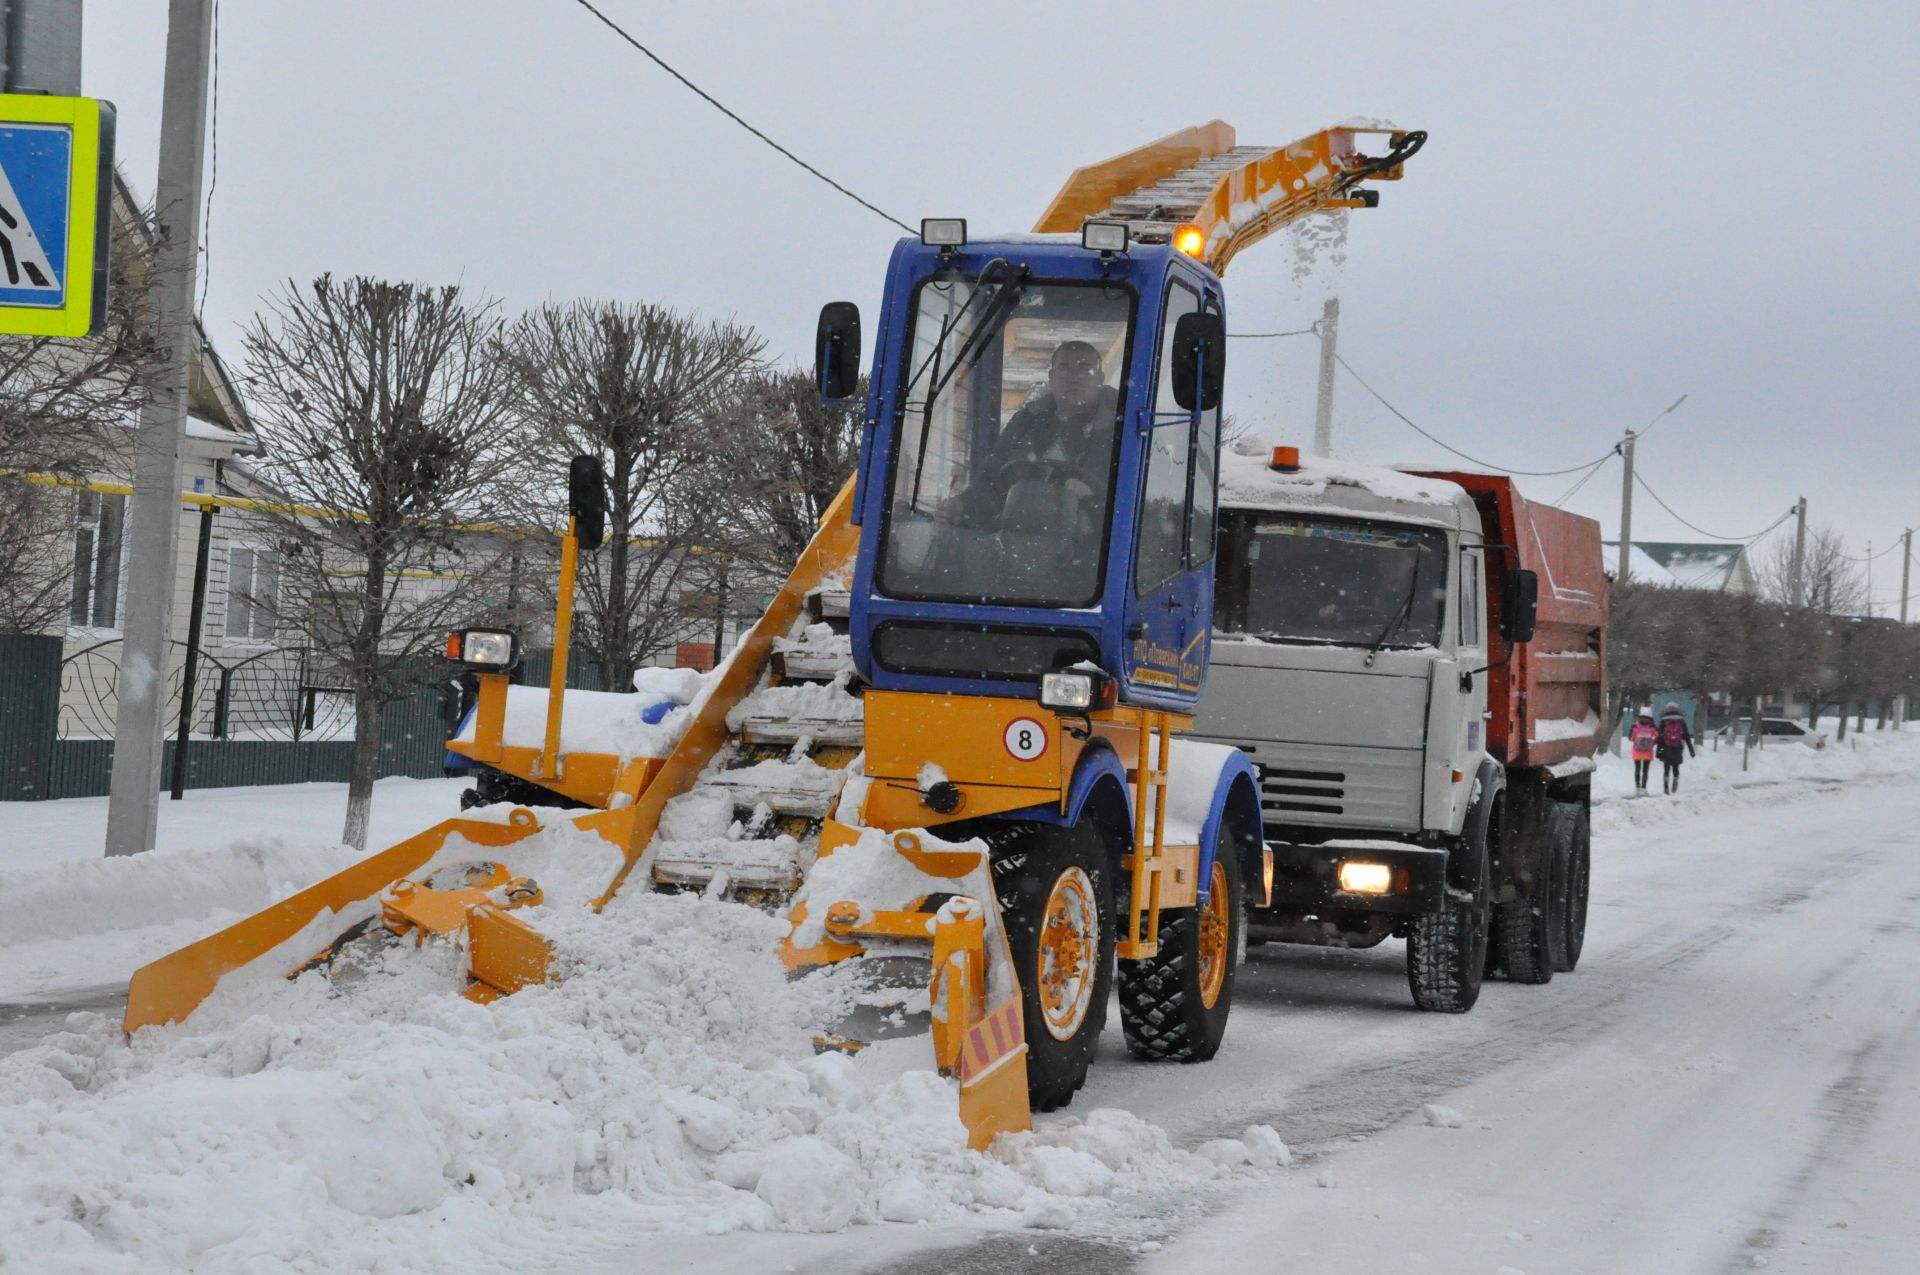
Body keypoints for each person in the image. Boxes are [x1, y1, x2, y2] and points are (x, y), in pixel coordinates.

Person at [969, 339, 1120, 529]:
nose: (1074, 377)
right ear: (1051, 377)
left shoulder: (1125, 427)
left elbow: (1140, 503)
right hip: (1017, 531)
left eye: (1084, 369)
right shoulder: (1026, 422)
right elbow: (992, 475)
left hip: (1096, 545)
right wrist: (963, 504)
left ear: (1100, 379)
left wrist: (1093, 499)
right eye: (1064, 368)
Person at [1656, 700, 1695, 794]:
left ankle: (1666, 788)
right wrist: (1691, 751)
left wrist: (1658, 752)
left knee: (1666, 769)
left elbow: (1660, 738)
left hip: (1666, 749)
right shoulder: (1681, 721)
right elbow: (1686, 737)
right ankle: (1675, 786)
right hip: (1677, 748)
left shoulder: (1663, 721)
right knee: (1675, 767)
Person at [1629, 712, 1658, 793]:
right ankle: (1644, 788)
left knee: (1637, 769)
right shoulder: (1652, 727)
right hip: (1648, 752)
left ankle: (1637, 788)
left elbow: (1631, 738)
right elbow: (1658, 736)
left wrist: (1637, 740)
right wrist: (1653, 742)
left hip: (1637, 751)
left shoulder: (1635, 726)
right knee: (1645, 770)